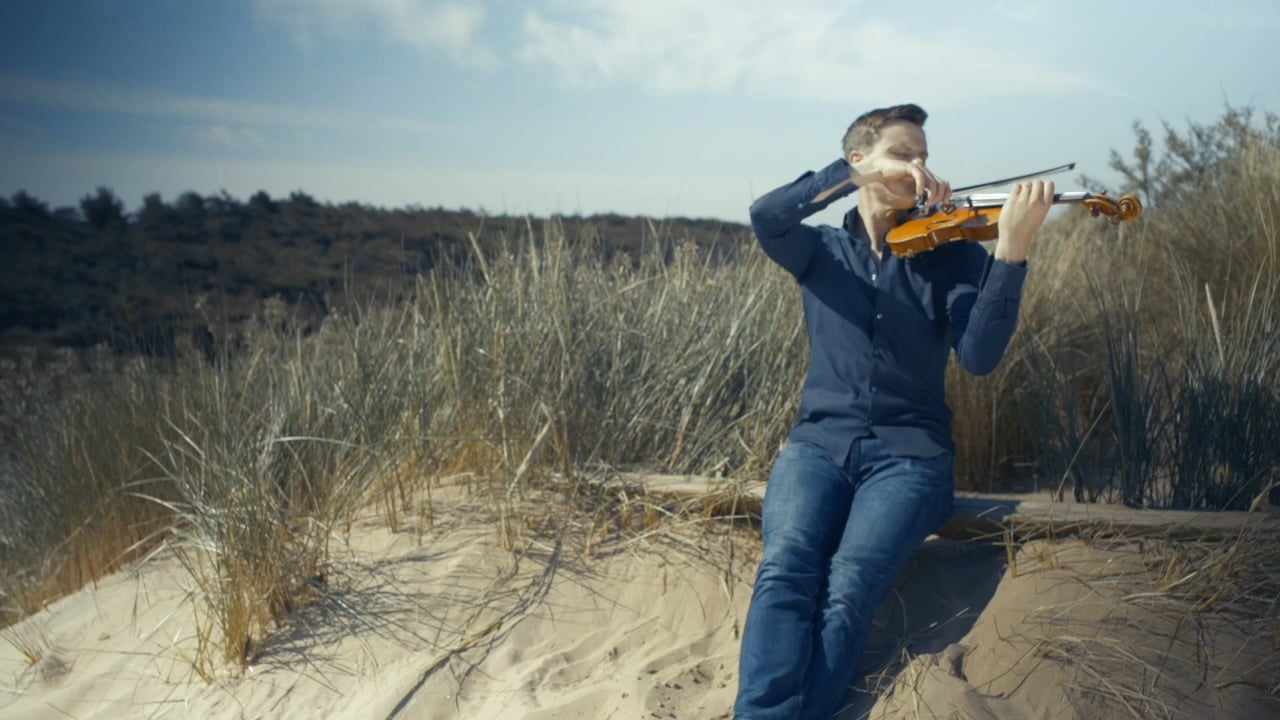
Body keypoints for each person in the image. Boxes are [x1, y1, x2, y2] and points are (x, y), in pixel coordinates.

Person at [733, 103, 1054, 719]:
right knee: (785, 569)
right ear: (859, 159)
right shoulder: (818, 250)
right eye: (903, 154)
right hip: (818, 447)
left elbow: (979, 357)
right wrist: (850, 177)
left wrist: (1012, 252)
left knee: (849, 586)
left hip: (910, 458)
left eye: (924, 156)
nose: (919, 167)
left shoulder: (951, 253)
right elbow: (766, 214)